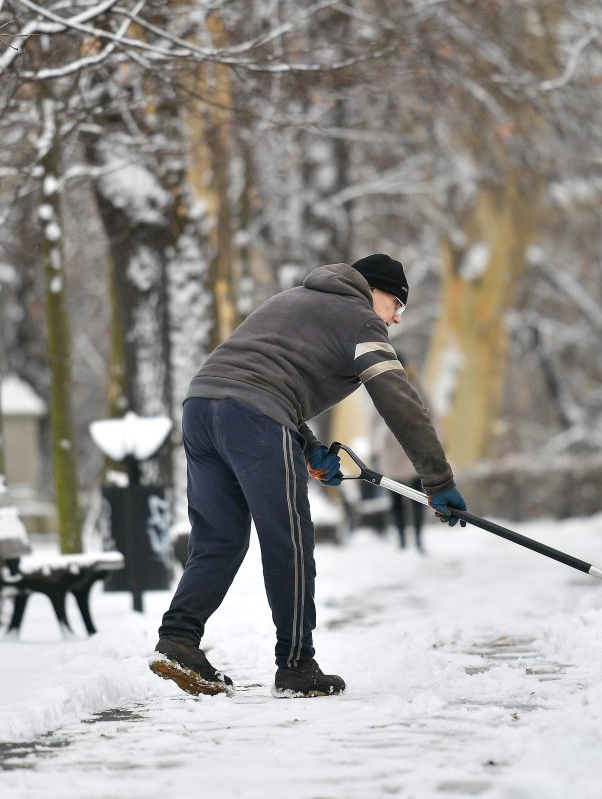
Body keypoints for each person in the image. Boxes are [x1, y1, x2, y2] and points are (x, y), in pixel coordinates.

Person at [149, 254, 467, 698]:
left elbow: (263, 375)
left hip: (201, 407)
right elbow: (399, 401)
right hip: (255, 416)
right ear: (372, 289)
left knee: (218, 539)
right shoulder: (360, 321)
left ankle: (179, 638)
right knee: (290, 540)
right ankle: (297, 664)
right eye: (397, 304)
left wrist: (310, 446)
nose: (396, 318)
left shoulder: (290, 300)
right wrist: (438, 480)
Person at [373, 358, 430, 553]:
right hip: (392, 448)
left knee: (418, 497)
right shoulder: (382, 384)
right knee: (396, 498)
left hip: (414, 446)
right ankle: (403, 541)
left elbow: (431, 411)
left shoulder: (416, 384)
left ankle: (417, 539)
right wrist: (376, 445)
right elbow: (373, 417)